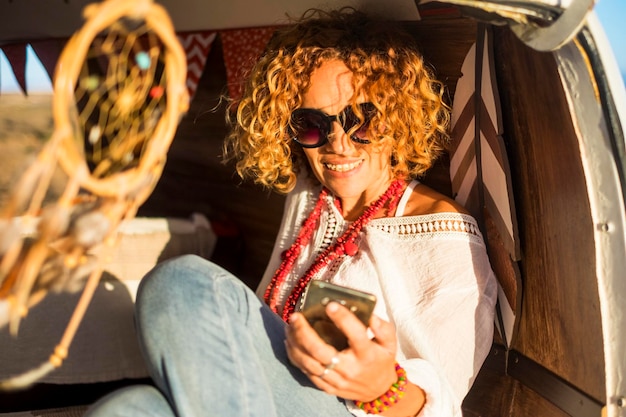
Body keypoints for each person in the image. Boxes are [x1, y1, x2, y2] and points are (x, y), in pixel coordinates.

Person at [85, 8, 497, 417]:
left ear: (399, 117)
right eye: (312, 124)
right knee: (126, 409)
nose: (338, 144)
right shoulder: (309, 198)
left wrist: (381, 388)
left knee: (178, 283)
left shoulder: (441, 235)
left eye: (364, 120)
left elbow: (443, 398)